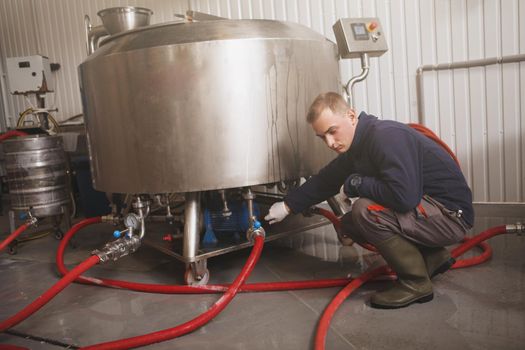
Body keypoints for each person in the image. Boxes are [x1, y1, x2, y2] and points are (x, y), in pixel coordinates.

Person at [264, 92, 473, 309]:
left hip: (449, 215)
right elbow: (325, 180)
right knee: (350, 222)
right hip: (430, 211)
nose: (329, 143)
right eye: (322, 137)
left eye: (332, 131)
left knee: (365, 210)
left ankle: (415, 283)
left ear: (352, 116)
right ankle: (433, 257)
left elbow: (404, 197)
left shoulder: (385, 137)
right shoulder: (359, 146)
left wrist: (355, 183)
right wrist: (287, 206)